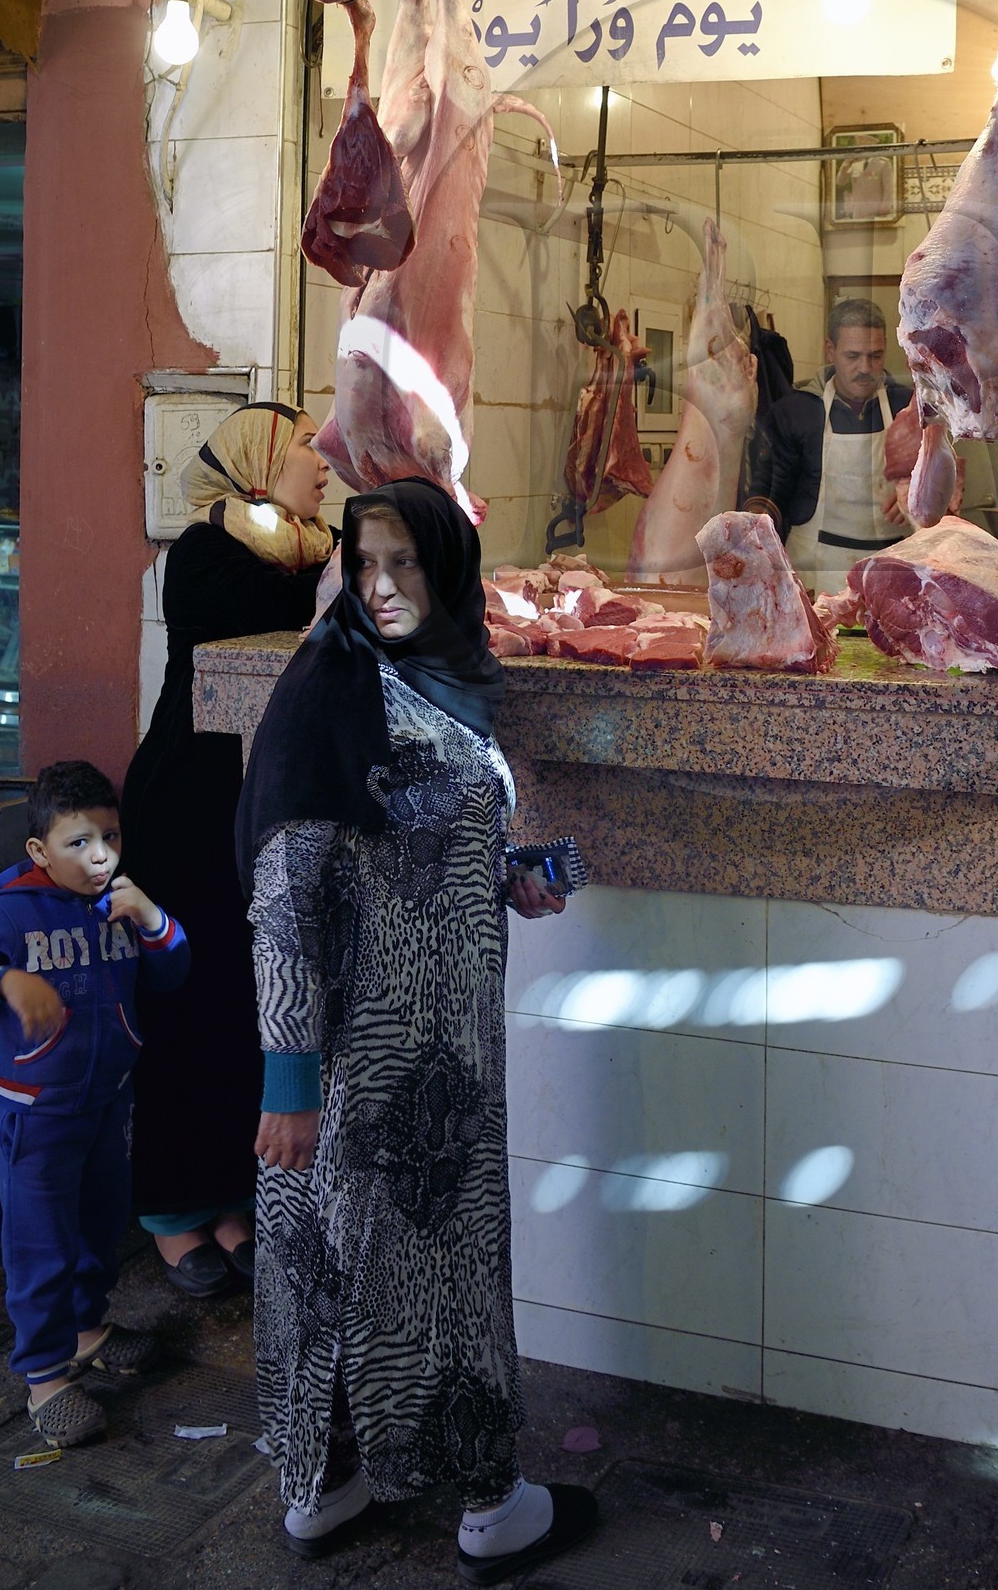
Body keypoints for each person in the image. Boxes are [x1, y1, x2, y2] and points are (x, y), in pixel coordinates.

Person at [237, 476, 599, 1579]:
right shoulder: (323, 695)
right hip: (362, 1063)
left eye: (406, 563)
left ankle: (333, 1485)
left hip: (443, 1050)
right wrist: (289, 1079)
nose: (383, 586)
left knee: (371, 1274)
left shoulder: (435, 682)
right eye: (365, 564)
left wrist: (513, 875)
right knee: (413, 1277)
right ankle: (490, 1503)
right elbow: (284, 897)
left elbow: (414, 845)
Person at [121, 404, 333, 1296]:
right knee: (188, 1006)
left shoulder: (308, 548)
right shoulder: (206, 556)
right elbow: (274, 633)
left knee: (244, 1007)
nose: (323, 461)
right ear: (256, 468)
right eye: (304, 448)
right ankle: (172, 1213)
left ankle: (230, 1202)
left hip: (250, 802)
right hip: (186, 802)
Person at [0, 760, 189, 1448]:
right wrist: (8, 980)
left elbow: (173, 970)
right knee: (39, 1243)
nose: (100, 855)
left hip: (108, 1102)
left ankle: (86, 1331)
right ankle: (45, 1376)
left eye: (109, 836)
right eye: (78, 843)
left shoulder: (122, 899)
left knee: (100, 1223)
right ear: (39, 851)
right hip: (37, 1114)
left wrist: (154, 918)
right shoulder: (9, 905)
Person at [748, 297, 915, 591]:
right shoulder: (796, 412)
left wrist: (914, 497)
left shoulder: (909, 408)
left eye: (876, 356)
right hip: (819, 575)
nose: (865, 368)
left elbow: (939, 482)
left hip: (894, 573)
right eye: (853, 356)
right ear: (830, 350)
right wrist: (749, 535)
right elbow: (770, 489)